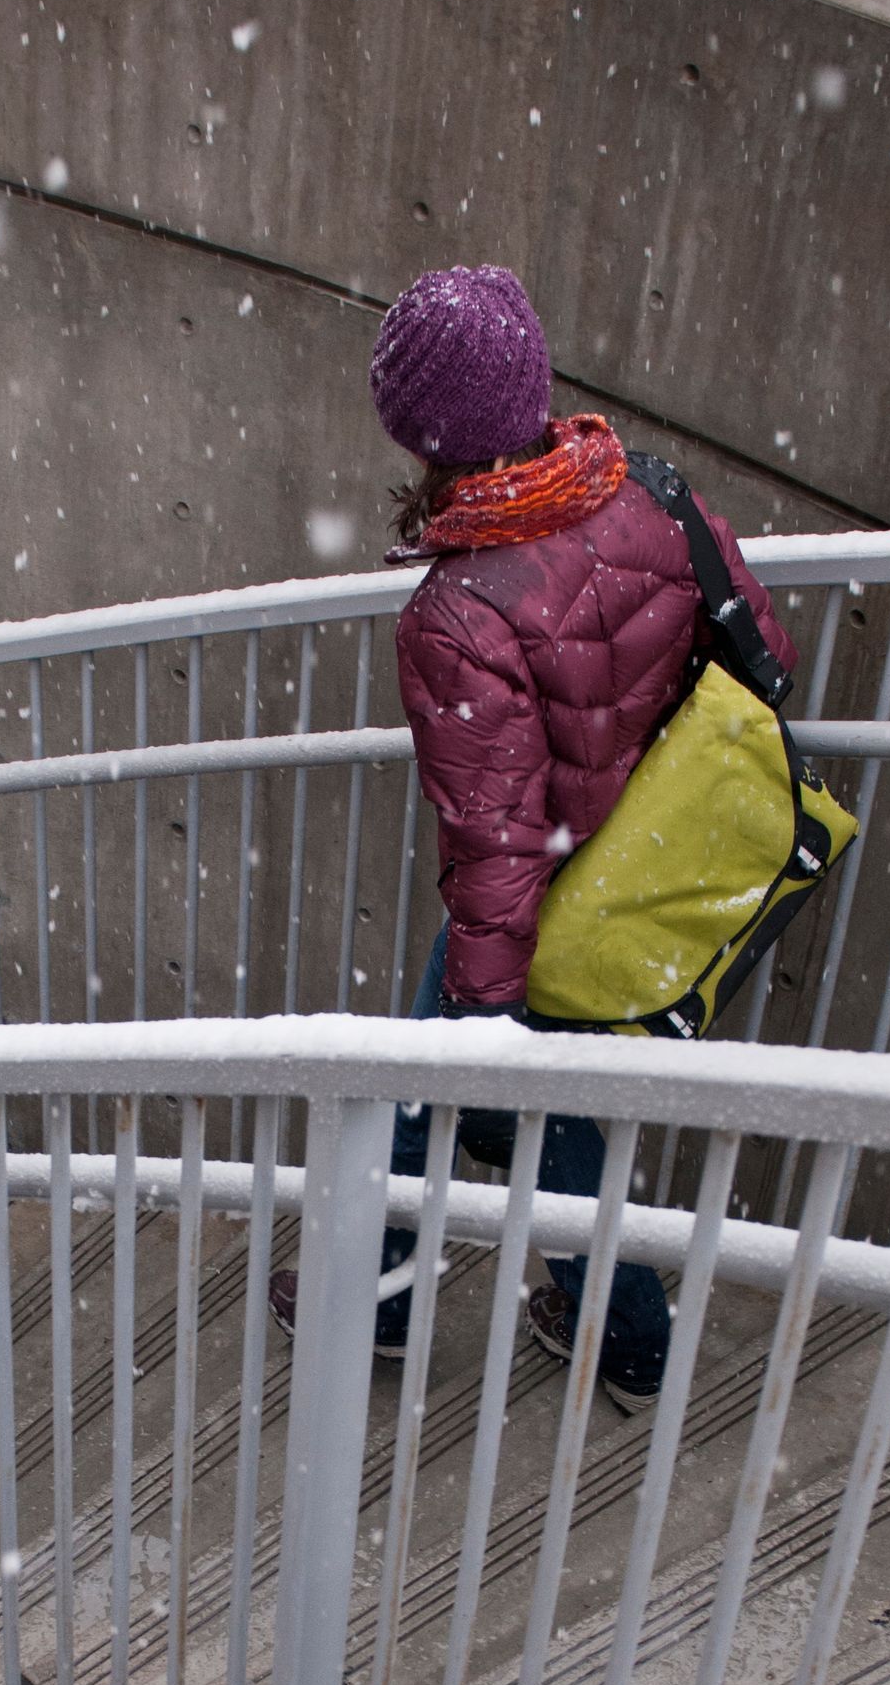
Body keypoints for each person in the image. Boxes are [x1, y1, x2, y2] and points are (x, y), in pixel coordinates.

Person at [271, 264, 796, 1408]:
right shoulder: (652, 491)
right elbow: (767, 656)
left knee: (478, 1093)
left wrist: (489, 1020)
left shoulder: (461, 612)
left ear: (424, 436)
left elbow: (498, 839)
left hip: (552, 903)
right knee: (501, 1105)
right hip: (652, 875)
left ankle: (542, 1328)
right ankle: (415, 1300)